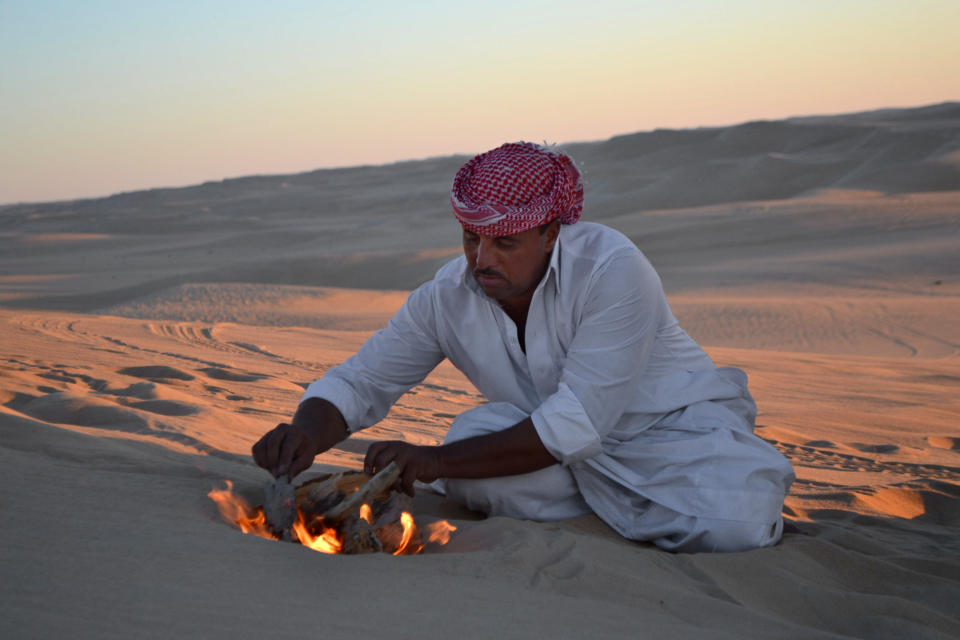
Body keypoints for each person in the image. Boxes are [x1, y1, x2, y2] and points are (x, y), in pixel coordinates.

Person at [252, 141, 795, 553]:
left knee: (737, 523)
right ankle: (600, 507)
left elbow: (577, 423)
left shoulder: (613, 270)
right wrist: (304, 432)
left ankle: (612, 503)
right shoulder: (446, 296)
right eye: (471, 238)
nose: (482, 258)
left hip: (668, 438)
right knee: (471, 443)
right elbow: (361, 382)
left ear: (552, 233)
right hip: (549, 448)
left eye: (504, 242)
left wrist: (436, 461)